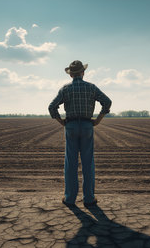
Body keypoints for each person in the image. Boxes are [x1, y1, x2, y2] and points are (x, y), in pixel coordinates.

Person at [48, 60, 112, 207]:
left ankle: (70, 198)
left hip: (70, 126)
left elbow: (52, 107)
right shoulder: (91, 88)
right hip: (87, 125)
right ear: (83, 73)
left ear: (70, 75)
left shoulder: (65, 89)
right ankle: (89, 198)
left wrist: (61, 121)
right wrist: (98, 120)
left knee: (70, 163)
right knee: (88, 162)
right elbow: (107, 102)